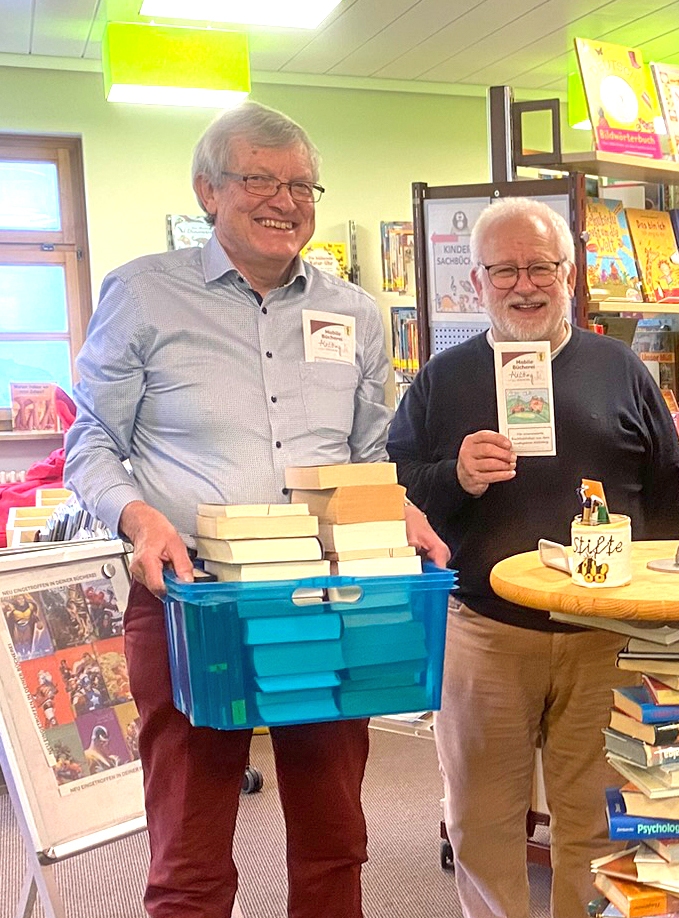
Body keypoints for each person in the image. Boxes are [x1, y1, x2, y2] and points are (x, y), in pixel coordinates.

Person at [64, 100, 448, 918]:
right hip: (190, 602)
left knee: (335, 836)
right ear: (208, 191)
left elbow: (366, 454)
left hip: (324, 598)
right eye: (259, 180)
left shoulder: (355, 312)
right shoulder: (143, 294)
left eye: (302, 186)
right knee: (190, 848)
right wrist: (138, 518)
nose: (285, 201)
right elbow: (90, 441)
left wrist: (397, 509)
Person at [387, 196, 679, 918]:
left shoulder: (622, 369)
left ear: (570, 275)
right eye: (505, 270)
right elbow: (394, 492)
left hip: (607, 633)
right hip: (485, 630)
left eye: (541, 268)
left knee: (600, 820)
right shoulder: (444, 379)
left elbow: (669, 496)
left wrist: (664, 624)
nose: (524, 285)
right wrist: (454, 477)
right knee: (481, 820)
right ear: (477, 282)